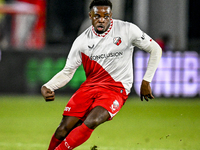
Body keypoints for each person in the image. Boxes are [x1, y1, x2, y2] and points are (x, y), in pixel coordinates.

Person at [41, 0, 162, 149]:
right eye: (97, 16)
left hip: (116, 89)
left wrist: (146, 81)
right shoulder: (82, 41)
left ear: (111, 15)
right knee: (62, 129)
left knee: (93, 120)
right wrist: (48, 86)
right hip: (90, 87)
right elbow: (68, 72)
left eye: (106, 16)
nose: (101, 19)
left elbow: (155, 49)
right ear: (90, 15)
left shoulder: (127, 30)